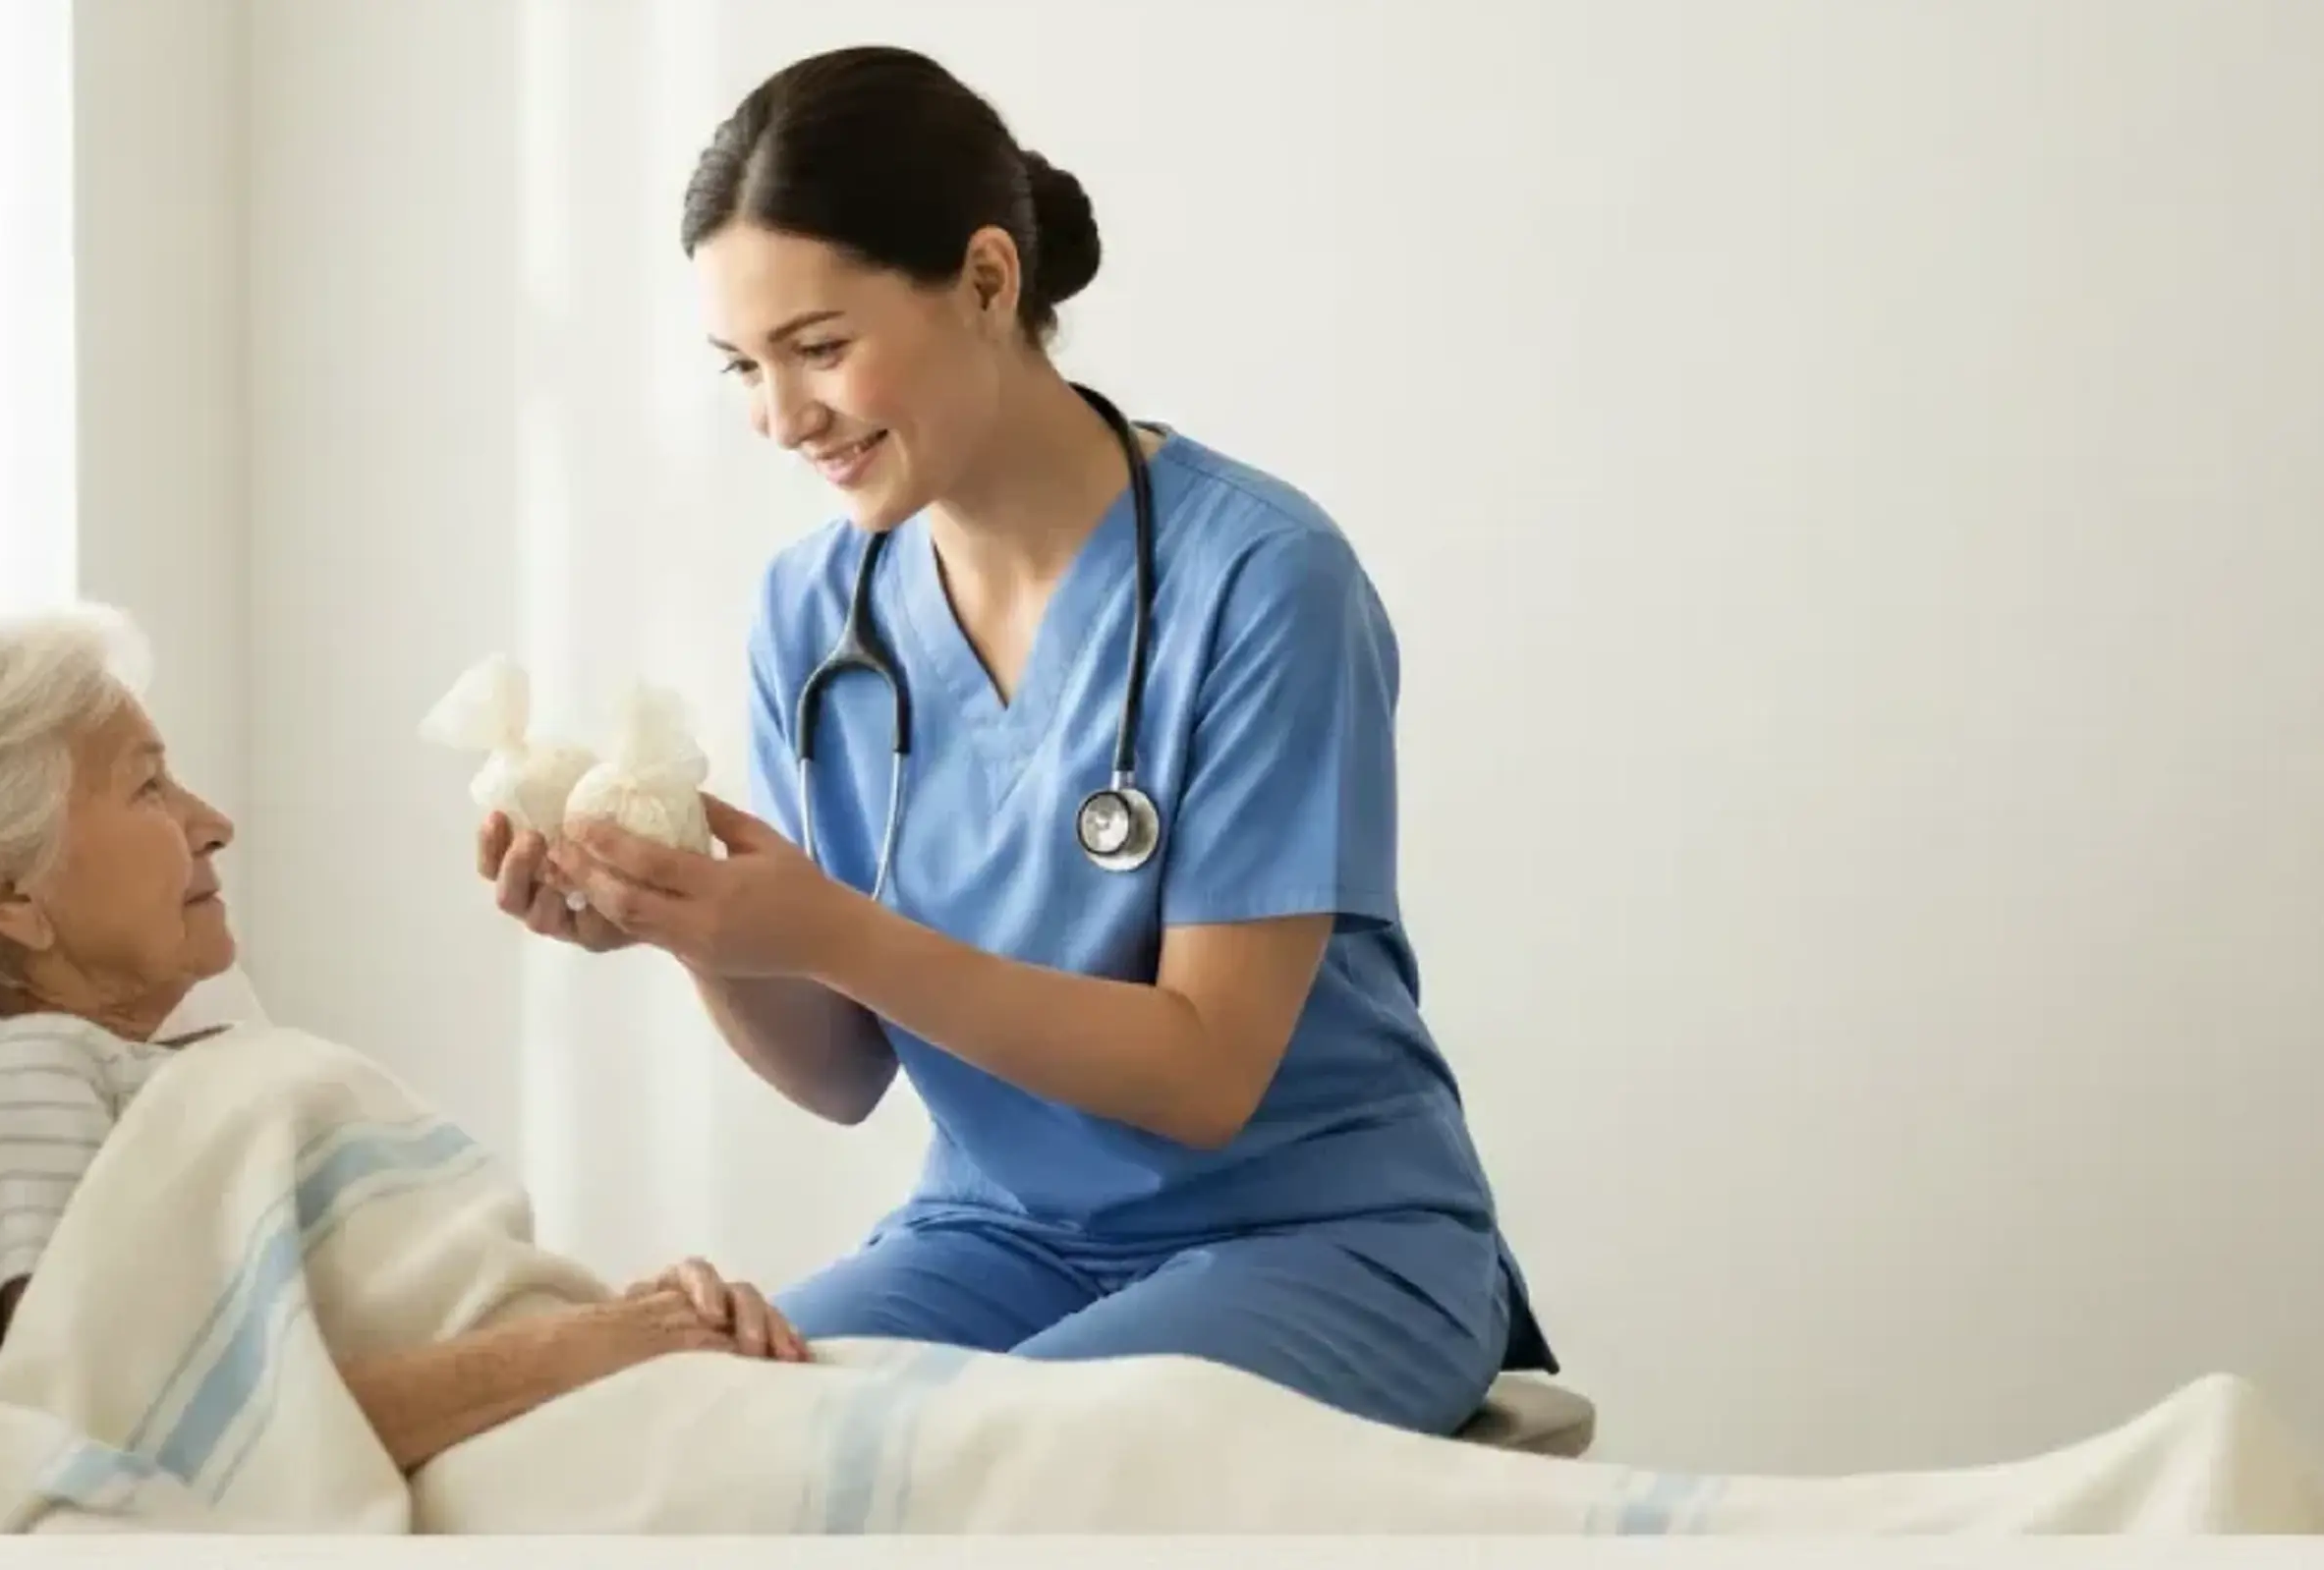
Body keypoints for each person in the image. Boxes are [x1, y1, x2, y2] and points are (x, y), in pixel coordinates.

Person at [487, 43, 1555, 1440]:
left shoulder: (1263, 580)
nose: (781, 415)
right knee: (695, 1431)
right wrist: (686, 918)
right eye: (742, 365)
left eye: (819, 347)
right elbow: (841, 1073)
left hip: (1321, 1233)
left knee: (989, 1470)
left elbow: (1201, 1073)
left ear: (990, 281)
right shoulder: (816, 611)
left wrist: (824, 925)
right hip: (1000, 1237)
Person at [0, 602, 810, 1474]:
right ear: (2, 887)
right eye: (148, 785)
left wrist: (647, 1319)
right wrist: (602, 1344)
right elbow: (157, 1431)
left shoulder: (177, 1072)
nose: (213, 820)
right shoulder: (22, 1077)